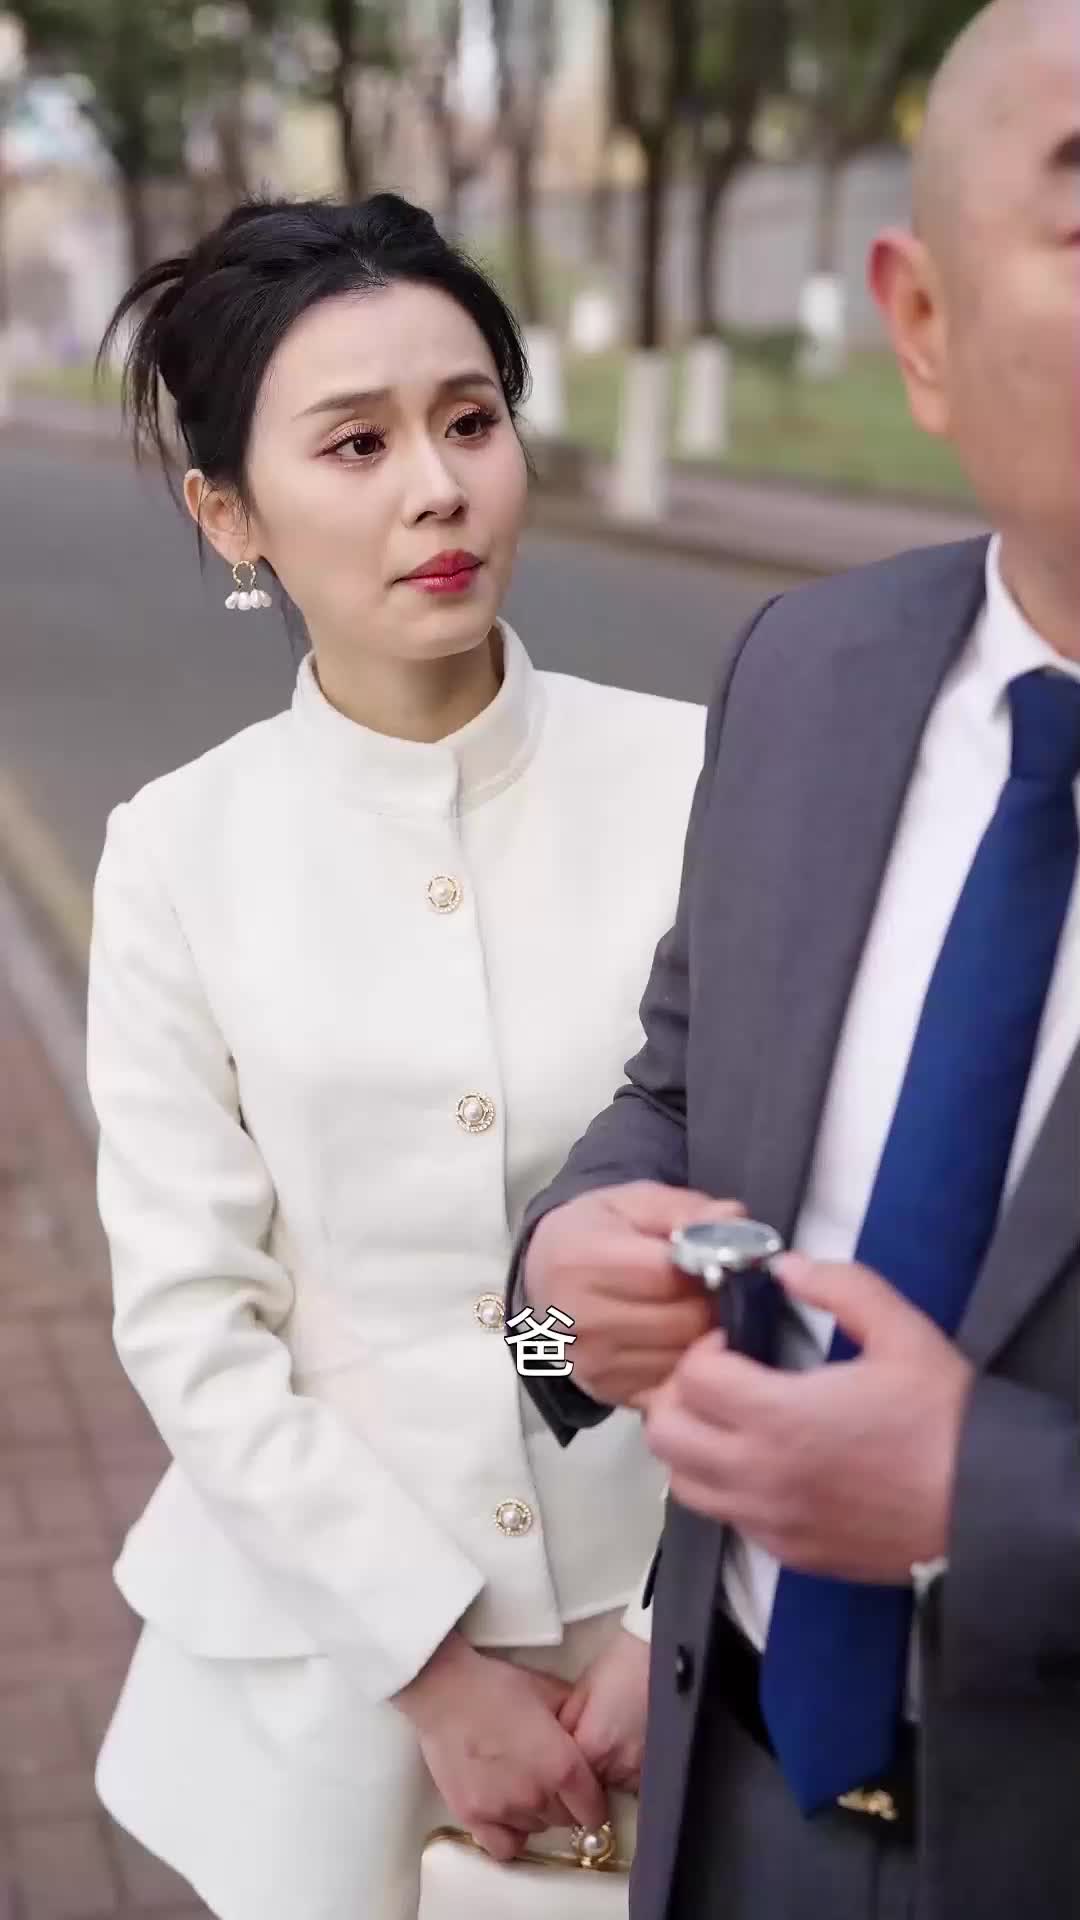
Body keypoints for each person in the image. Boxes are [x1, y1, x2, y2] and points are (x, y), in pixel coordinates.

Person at [510, 4, 1080, 1917]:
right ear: (922, 323)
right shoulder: (806, 674)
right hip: (716, 1797)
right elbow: (672, 1109)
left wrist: (985, 1504)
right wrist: (550, 1298)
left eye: (472, 423)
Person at [84, 192, 707, 1920]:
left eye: (470, 420)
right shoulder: (177, 854)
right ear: (229, 513)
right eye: (355, 443)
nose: (437, 487)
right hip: (335, 1676)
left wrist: (672, 1620)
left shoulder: (710, 780)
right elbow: (196, 1319)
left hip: (691, 1640)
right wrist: (433, 1670)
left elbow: (803, 1236)